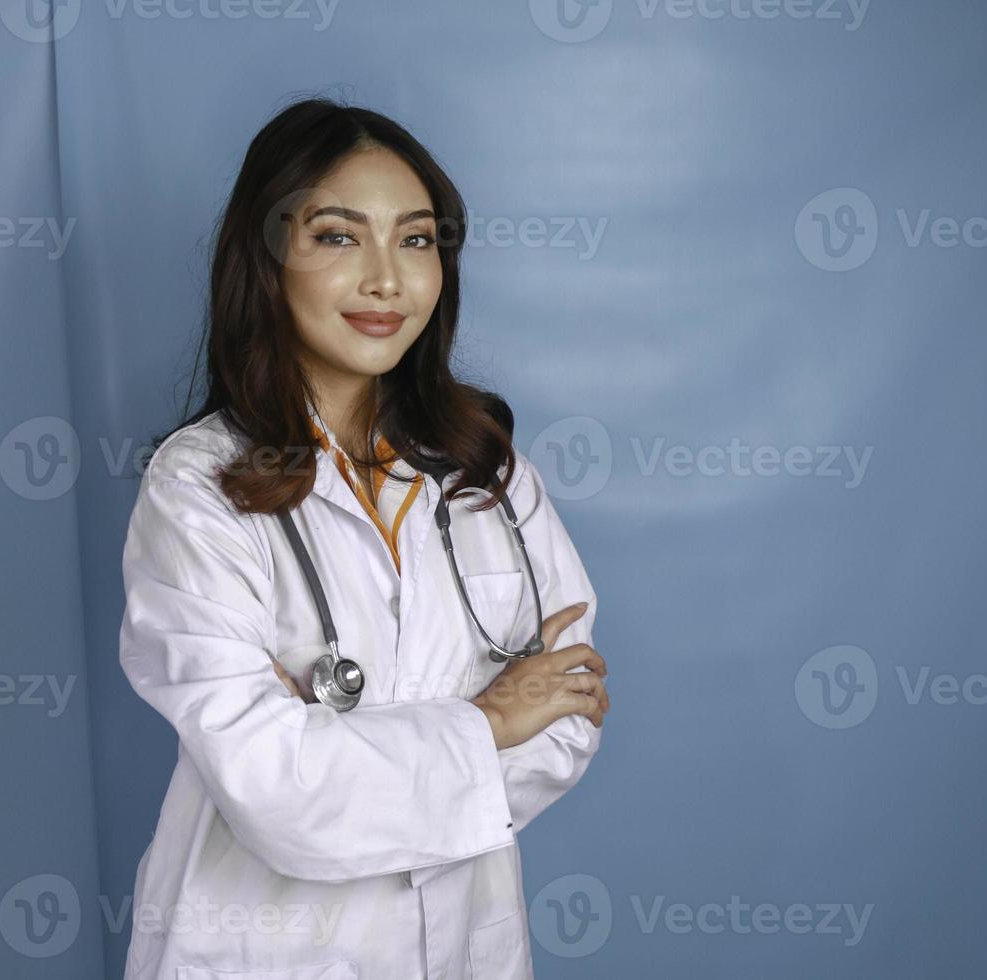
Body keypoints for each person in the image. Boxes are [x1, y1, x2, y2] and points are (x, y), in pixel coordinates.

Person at [118, 95, 609, 980]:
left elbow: (567, 720)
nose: (388, 279)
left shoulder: (487, 474)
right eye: (339, 237)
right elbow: (268, 788)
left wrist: (340, 760)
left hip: (464, 941)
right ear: (266, 260)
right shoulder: (198, 488)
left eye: (416, 239)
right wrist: (489, 719)